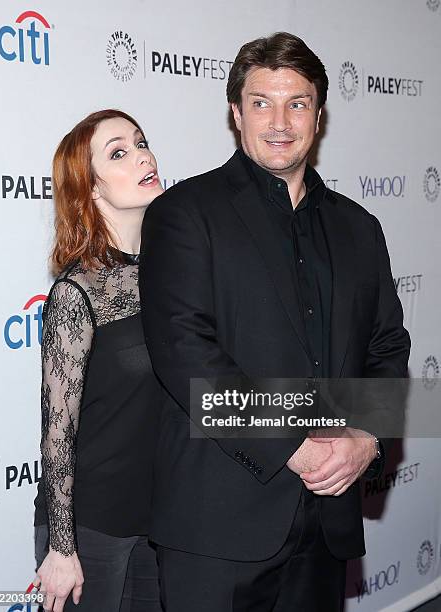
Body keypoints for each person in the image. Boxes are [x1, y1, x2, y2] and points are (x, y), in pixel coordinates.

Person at [139, 33, 410, 611]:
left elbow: (387, 345)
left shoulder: (359, 228)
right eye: (261, 102)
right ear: (236, 113)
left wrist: (366, 437)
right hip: (216, 526)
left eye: (298, 102)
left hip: (326, 525)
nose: (280, 121)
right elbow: (187, 354)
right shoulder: (184, 214)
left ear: (319, 114)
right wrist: (295, 446)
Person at [33, 109, 164, 612]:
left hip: (160, 520)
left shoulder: (172, 275)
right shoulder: (77, 293)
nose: (143, 155)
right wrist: (62, 548)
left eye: (141, 141)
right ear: (90, 190)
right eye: (119, 153)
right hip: (90, 528)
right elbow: (57, 432)